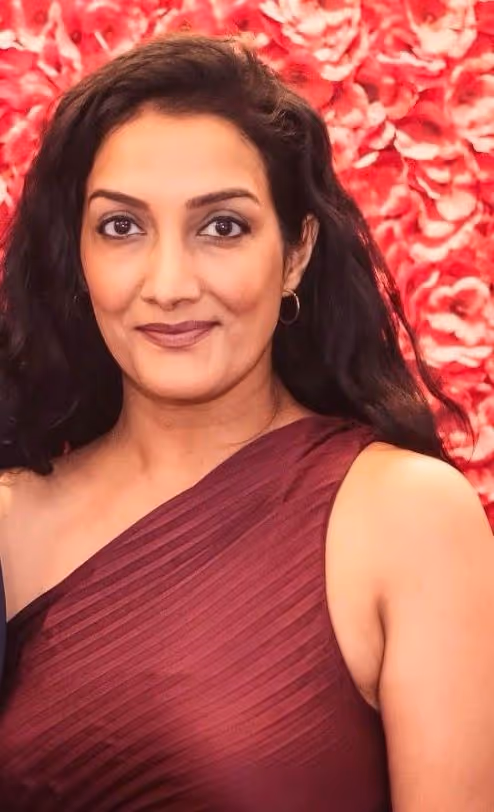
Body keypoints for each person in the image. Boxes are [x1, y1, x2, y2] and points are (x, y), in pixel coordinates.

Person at [0, 32, 492, 812]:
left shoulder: (407, 519)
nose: (168, 284)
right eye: (122, 227)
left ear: (296, 253)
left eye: (221, 227)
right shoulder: (12, 515)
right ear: (78, 259)